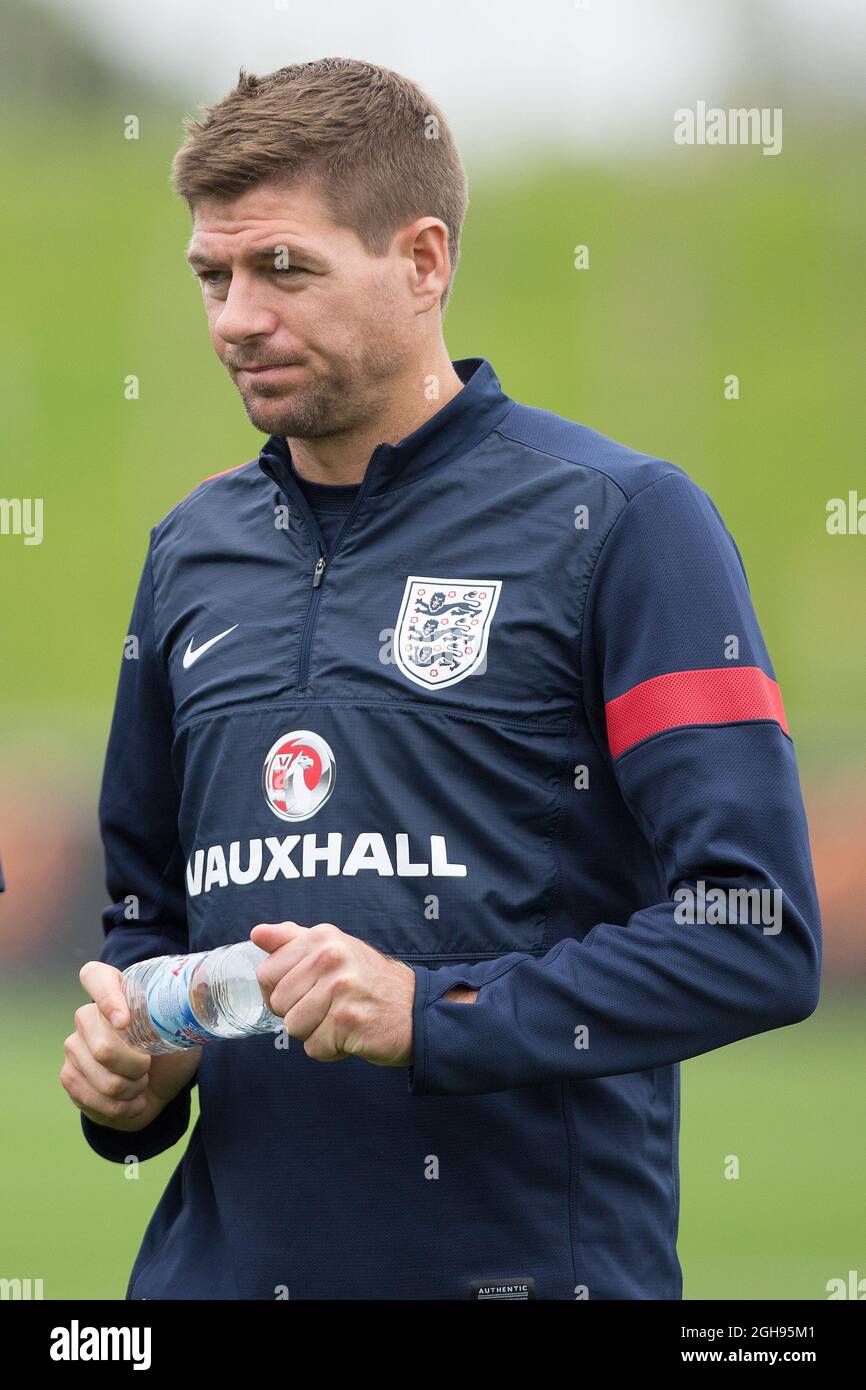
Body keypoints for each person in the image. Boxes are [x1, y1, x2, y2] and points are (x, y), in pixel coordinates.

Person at [61, 58, 821, 1301]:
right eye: (213, 274)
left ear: (422, 261)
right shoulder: (188, 550)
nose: (234, 316)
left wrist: (435, 1007)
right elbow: (149, 919)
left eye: (282, 269)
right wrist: (133, 1077)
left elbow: (757, 931)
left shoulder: (621, 523)